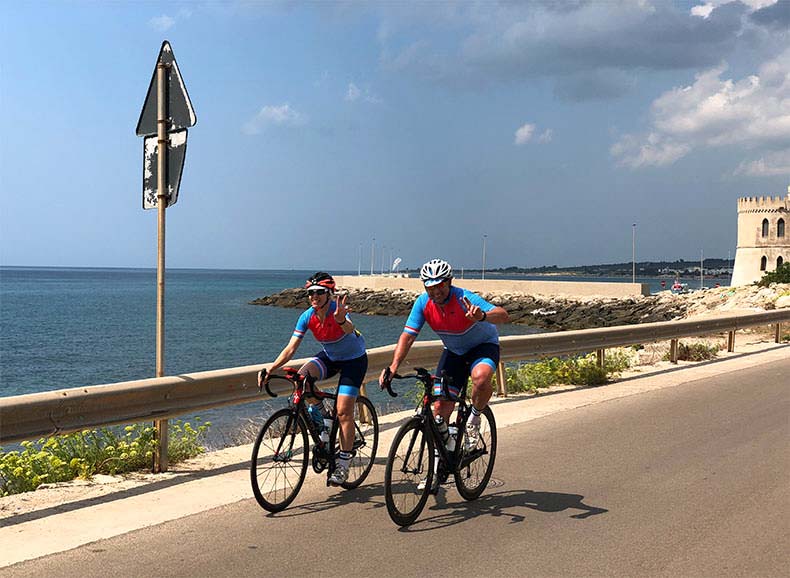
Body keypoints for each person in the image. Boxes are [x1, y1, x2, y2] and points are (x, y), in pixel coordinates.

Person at [379, 258, 509, 487]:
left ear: (449, 282)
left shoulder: (463, 298)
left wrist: (482, 317)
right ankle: (439, 466)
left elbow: (503, 315)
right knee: (439, 409)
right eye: (429, 286)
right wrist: (393, 367)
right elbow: (408, 336)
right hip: (454, 352)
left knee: (480, 377)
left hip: (482, 346)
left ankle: (475, 418)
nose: (435, 290)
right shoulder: (422, 303)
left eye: (439, 285)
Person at [259, 272, 367, 486]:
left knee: (344, 411)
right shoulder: (307, 316)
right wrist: (271, 367)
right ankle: (324, 413)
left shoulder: (338, 312)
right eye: (310, 293)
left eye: (319, 292)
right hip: (330, 357)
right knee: (301, 380)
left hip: (354, 361)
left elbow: (351, 330)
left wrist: (342, 320)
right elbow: (291, 348)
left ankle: (343, 465)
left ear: (329, 294)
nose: (314, 297)